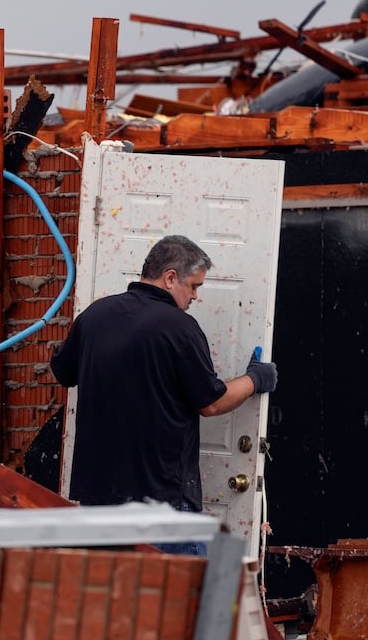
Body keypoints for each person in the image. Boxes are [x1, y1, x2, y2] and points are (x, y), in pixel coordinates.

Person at [50, 234, 277, 555]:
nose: (195, 296)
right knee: (183, 602)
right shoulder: (179, 327)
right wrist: (256, 378)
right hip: (161, 503)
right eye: (194, 286)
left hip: (98, 503)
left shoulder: (94, 316)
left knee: (112, 602)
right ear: (170, 277)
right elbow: (211, 402)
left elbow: (62, 372)